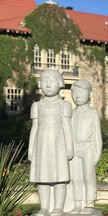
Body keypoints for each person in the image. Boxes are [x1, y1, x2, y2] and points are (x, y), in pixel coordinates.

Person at [28, 68, 73, 216]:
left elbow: (67, 127)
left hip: (59, 142)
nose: (48, 84)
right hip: (42, 143)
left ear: (60, 83)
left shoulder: (64, 105)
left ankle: (58, 207)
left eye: (52, 80)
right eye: (45, 80)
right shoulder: (36, 106)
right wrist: (31, 149)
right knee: (43, 178)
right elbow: (34, 128)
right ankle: (44, 208)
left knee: (60, 177)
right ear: (40, 83)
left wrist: (69, 147)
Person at [69, 80, 103, 214]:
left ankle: (90, 203)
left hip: (88, 148)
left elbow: (97, 135)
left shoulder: (93, 113)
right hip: (74, 148)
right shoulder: (71, 113)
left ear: (90, 94)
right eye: (74, 92)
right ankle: (77, 202)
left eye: (81, 92)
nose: (77, 96)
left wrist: (98, 151)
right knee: (75, 177)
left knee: (88, 177)